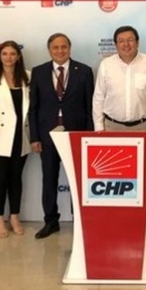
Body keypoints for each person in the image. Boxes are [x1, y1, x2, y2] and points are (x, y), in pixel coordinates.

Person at [29, 33, 94, 239]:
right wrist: (34, 137)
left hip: (76, 135)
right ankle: (51, 221)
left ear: (69, 48)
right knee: (49, 179)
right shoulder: (38, 72)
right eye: (55, 47)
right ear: (49, 50)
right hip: (48, 136)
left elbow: (90, 106)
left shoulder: (84, 71)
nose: (60, 51)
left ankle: (79, 220)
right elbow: (33, 108)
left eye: (64, 47)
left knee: (77, 181)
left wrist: (89, 137)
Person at [0, 40, 31, 238]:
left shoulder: (28, 76)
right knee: (1, 178)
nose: (8, 57)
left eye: (12, 53)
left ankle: (15, 216)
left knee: (16, 178)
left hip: (21, 136)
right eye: (4, 54)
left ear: (18, 56)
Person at [92, 25, 146, 132]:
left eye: (130, 40)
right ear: (116, 45)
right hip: (112, 127)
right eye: (121, 41)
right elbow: (99, 98)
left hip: (145, 127)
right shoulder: (106, 65)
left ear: (137, 42)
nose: (126, 44)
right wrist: (99, 126)